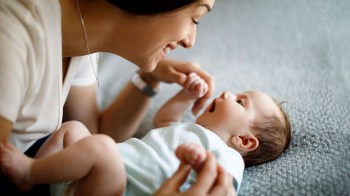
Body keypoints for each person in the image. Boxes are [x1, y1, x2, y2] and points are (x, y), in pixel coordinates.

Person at [0, 0, 235, 195]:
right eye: (195, 18)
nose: (190, 41)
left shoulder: (81, 40)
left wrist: (149, 79)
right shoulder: (13, 31)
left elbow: (94, 137)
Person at [0, 73, 291, 195]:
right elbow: (165, 120)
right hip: (83, 179)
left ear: (244, 141)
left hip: (116, 188)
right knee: (73, 129)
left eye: (240, 101)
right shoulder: (188, 130)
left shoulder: (227, 157)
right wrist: (184, 95)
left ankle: (29, 171)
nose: (227, 93)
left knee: (101, 146)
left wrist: (201, 162)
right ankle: (37, 176)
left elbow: (221, 188)